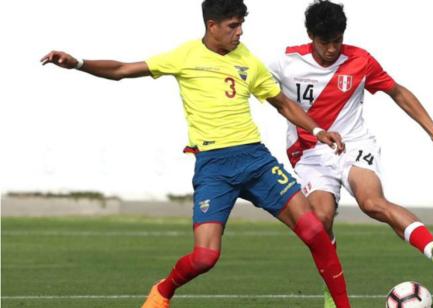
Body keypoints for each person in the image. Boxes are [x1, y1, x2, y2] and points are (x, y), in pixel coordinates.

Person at [40, 1, 353, 307]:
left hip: (255, 159)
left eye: (242, 24)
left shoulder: (247, 60)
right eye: (233, 26)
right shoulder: (185, 56)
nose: (240, 32)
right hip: (214, 167)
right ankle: (164, 289)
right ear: (212, 26)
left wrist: (316, 131)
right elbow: (122, 69)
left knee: (314, 229)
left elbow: (282, 104)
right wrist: (78, 63)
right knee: (205, 257)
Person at [270, 1, 433, 306]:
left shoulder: (360, 61)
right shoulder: (286, 62)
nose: (333, 49)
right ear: (311, 36)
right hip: (310, 153)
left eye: (338, 40)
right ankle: (332, 288)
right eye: (325, 43)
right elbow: (259, 90)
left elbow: (397, 92)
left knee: (372, 203)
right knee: (320, 220)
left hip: (354, 145)